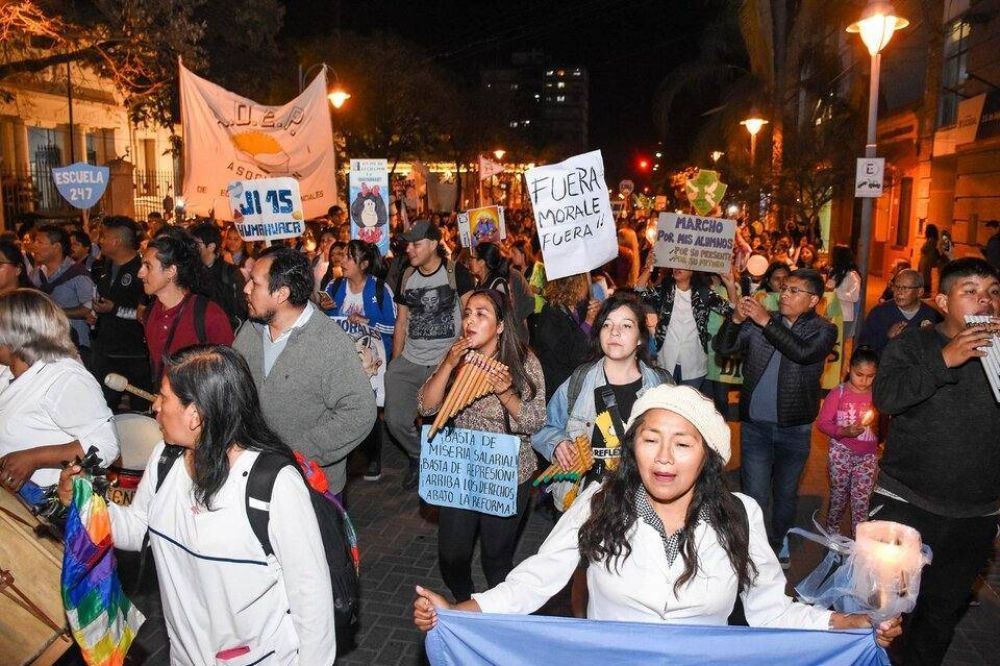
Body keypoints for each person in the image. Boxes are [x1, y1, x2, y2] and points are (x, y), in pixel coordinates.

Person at [414, 385, 901, 647]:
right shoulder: (600, 502)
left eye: (682, 443)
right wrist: (460, 613)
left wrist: (847, 624)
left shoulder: (742, 514)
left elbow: (772, 611)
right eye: (650, 440)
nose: (664, 458)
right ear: (633, 449)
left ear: (708, 456)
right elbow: (535, 580)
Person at [58, 345, 335, 664]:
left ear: (196, 415)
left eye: (164, 397)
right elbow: (137, 529)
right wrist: (83, 502)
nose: (155, 408)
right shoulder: (165, 459)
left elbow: (311, 598)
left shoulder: (273, 484)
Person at [872, 257, 1000, 665]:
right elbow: (887, 398)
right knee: (888, 610)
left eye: (993, 292)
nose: (985, 301)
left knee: (941, 614)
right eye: (971, 292)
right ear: (944, 301)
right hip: (907, 503)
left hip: (975, 514)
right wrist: (944, 360)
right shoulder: (913, 344)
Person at [417, 289, 545, 601]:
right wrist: (448, 365)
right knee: (451, 556)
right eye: (467, 313)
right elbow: (425, 407)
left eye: (481, 314)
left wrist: (505, 393)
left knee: (496, 559)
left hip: (506, 472)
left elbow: (535, 421)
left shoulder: (524, 361)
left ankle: (499, 616)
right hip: (461, 468)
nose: (470, 321)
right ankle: (466, 603)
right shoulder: (456, 355)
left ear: (501, 325)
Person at [713, 269, 837, 567]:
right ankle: (755, 548)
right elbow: (723, 348)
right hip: (755, 425)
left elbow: (801, 352)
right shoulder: (759, 324)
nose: (784, 294)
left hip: (794, 429)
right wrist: (736, 320)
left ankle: (778, 542)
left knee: (785, 494)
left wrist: (765, 321)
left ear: (813, 300)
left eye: (795, 291)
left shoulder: (823, 330)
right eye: (785, 288)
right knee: (754, 494)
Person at [234, 246, 376, 497]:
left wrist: (294, 452)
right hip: (252, 477)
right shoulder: (250, 331)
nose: (245, 289)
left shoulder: (328, 342)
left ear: (281, 294)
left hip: (310, 487)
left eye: (254, 283)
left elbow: (359, 412)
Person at [533, 291, 673, 488]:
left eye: (626, 325)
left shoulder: (660, 384)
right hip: (587, 500)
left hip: (642, 495)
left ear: (641, 338)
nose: (614, 332)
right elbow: (542, 426)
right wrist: (557, 443)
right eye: (607, 325)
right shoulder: (579, 382)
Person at [384, 220, 475, 489]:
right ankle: (418, 454)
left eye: (416, 243)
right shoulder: (407, 275)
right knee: (396, 420)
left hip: (444, 363)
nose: (410, 249)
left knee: (444, 424)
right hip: (410, 360)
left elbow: (471, 318)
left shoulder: (455, 273)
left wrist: (463, 358)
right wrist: (395, 364)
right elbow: (401, 322)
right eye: (408, 244)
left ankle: (441, 470)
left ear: (434, 244)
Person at [0, 289, 119, 490]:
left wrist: (34, 458)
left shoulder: (65, 378)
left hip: (49, 504)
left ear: (16, 335)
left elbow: (107, 446)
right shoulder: (7, 371)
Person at [322, 240, 397, 481]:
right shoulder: (334, 287)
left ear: (364, 264)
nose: (342, 262)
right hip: (342, 360)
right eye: (342, 256)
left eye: (348, 258)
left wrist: (368, 323)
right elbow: (326, 323)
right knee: (343, 406)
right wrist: (327, 310)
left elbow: (394, 326)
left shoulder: (380, 290)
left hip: (371, 364)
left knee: (370, 409)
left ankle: (373, 457)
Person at [138, 231, 234, 382]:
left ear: (171, 271)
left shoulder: (208, 314)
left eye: (148, 266)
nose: (140, 273)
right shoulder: (150, 314)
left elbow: (229, 370)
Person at [637, 254, 737, 390]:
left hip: (694, 362)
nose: (678, 268)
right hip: (666, 359)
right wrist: (648, 268)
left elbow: (731, 311)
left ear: (693, 270)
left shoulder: (703, 294)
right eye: (676, 263)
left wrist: (730, 284)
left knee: (687, 406)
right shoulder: (665, 290)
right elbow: (638, 295)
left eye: (683, 264)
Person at [88, 216, 151, 410]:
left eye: (104, 237)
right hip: (106, 352)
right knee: (102, 408)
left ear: (117, 241)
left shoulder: (143, 272)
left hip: (134, 355)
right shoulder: (103, 267)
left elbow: (145, 315)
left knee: (141, 410)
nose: (100, 241)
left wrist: (114, 309)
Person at [816, 346, 880, 536]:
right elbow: (823, 423)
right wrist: (843, 430)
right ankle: (832, 529)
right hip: (841, 451)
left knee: (861, 499)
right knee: (839, 494)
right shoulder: (839, 393)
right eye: (859, 374)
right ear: (848, 369)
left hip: (867, 455)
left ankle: (859, 540)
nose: (864, 381)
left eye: (871, 376)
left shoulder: (877, 395)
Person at [28, 224, 95, 354]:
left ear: (56, 247)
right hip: (45, 342)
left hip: (75, 344)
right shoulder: (35, 274)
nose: (34, 246)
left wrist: (53, 313)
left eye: (39, 242)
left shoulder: (78, 274)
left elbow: (88, 309)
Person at [532, 274, 599, 400]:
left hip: (580, 381)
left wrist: (598, 316)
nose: (587, 285)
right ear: (575, 285)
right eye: (584, 281)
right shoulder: (550, 315)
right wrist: (588, 323)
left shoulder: (580, 307)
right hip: (559, 389)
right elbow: (569, 356)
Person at [858, 269, 942, 355]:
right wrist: (886, 336)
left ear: (920, 292)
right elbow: (864, 347)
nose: (899, 292)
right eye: (896, 287)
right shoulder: (879, 313)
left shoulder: (932, 316)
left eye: (905, 288)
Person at [468, 242, 533, 342]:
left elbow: (529, 302)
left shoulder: (502, 281)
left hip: (510, 340)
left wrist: (513, 322)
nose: (469, 261)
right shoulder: (480, 282)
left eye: (472, 257)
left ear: (481, 262)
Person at [190, 222, 248, 330]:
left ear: (211, 247)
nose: (193, 248)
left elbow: (242, 308)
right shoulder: (192, 271)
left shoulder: (230, 273)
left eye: (197, 244)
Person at [827, 246, 861, 338]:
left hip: (844, 316)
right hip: (832, 312)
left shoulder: (852, 275)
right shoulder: (836, 273)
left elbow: (854, 296)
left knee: (840, 345)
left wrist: (836, 291)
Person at [918, 224, 942, 296]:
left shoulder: (931, 241)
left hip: (926, 263)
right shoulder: (932, 240)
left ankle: (926, 292)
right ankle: (925, 292)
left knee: (925, 277)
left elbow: (925, 250)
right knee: (925, 277)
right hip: (925, 262)